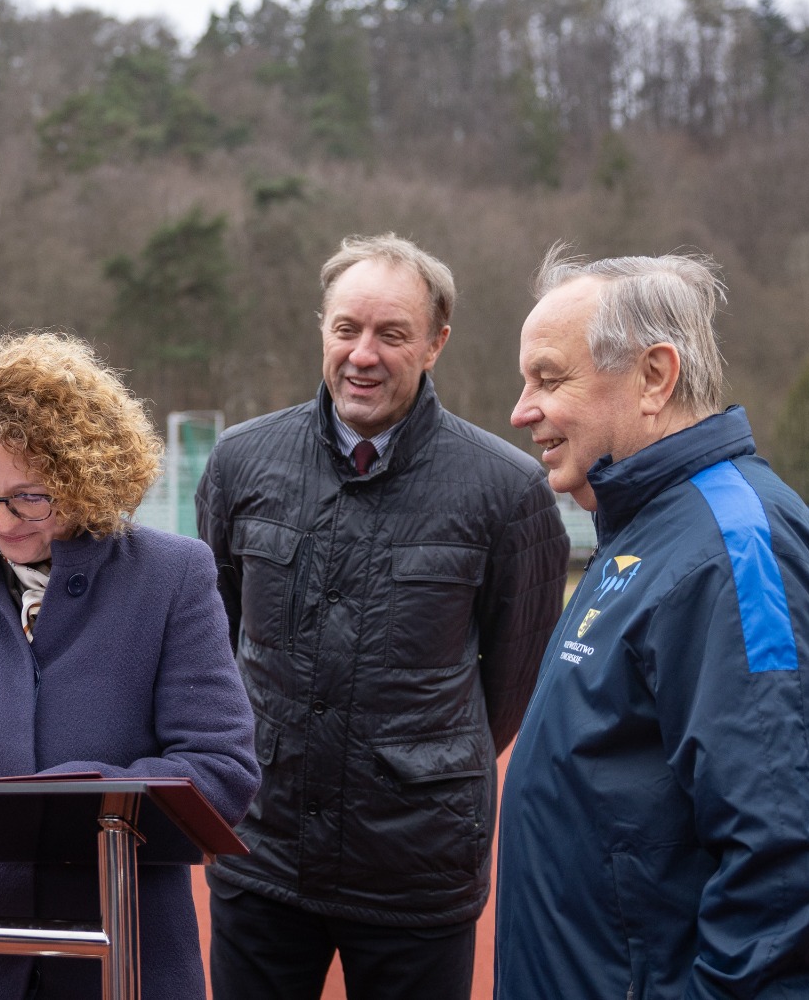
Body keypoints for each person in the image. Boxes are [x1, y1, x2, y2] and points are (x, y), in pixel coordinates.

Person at [196, 233, 568, 1000]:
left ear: (436, 343)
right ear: (323, 331)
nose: (362, 354)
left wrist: (412, 770)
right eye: (346, 329)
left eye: (391, 334)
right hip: (261, 855)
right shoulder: (240, 461)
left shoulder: (508, 490)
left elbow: (511, 683)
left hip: (416, 873)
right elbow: (217, 640)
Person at [0, 331, 260, 1000]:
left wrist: (75, 798)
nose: (0, 521)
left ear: (86, 479)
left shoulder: (174, 576)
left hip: (120, 955)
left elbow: (222, 769)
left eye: (29, 497)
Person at [496, 251, 809, 998]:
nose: (520, 409)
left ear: (655, 377)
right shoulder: (646, 529)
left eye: (549, 377)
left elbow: (787, 873)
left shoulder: (730, 548)